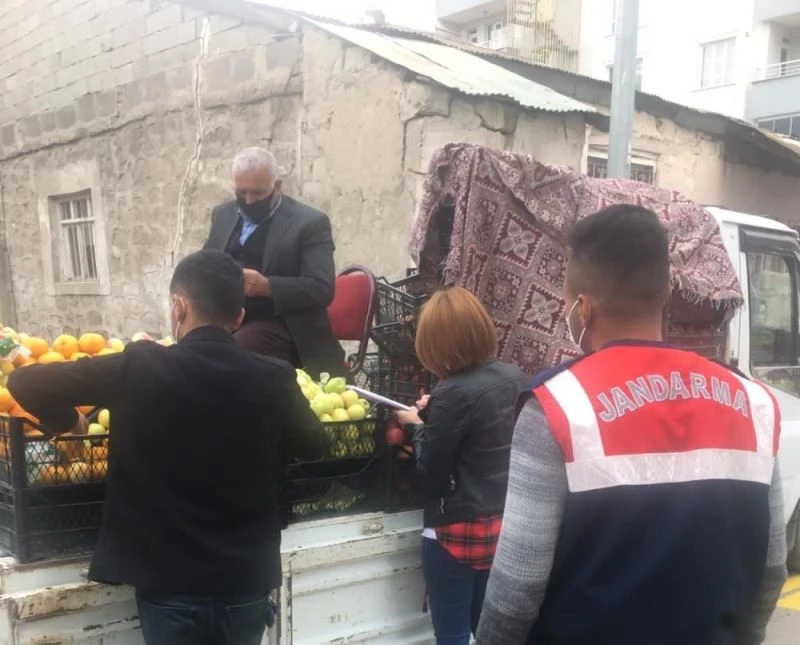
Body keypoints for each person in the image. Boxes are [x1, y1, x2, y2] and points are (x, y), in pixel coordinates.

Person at [476, 205, 787, 645]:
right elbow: (771, 570)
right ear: (665, 293)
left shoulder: (558, 408)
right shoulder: (753, 404)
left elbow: (516, 590)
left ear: (583, 310)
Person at [8, 249, 329, 645]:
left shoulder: (140, 367)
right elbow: (316, 445)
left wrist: (71, 423)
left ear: (179, 307)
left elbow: (25, 383)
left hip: (169, 587)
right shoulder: (273, 377)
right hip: (245, 585)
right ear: (239, 317)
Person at [396, 287, 524, 645]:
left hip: (455, 535)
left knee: (452, 636)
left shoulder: (452, 392)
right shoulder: (512, 376)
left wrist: (416, 426)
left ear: (434, 345)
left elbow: (431, 477)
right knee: (488, 633)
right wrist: (434, 412)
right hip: (502, 526)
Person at [204, 146, 344, 378]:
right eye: (241, 192)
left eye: (258, 194)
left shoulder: (310, 223)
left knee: (233, 351)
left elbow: (321, 288)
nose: (248, 201)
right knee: (193, 348)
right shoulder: (223, 214)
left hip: (285, 324)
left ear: (277, 185)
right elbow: (207, 262)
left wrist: (267, 287)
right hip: (229, 318)